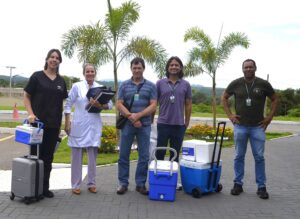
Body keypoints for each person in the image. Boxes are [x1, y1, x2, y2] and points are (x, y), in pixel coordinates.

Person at [222, 59, 278, 199]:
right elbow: (224, 97)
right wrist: (230, 116)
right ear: (242, 69)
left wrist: (269, 118)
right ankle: (238, 184)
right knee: (238, 156)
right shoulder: (236, 83)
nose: (248, 69)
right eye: (245, 67)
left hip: (257, 127)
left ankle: (261, 186)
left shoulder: (263, 84)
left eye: (250, 67)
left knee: (259, 157)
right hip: (240, 126)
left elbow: (275, 99)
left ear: (255, 68)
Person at [24, 49, 68, 198]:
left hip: (54, 125)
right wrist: (31, 113)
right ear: (47, 59)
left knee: (48, 157)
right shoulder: (37, 77)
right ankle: (33, 189)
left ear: (59, 61)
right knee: (35, 156)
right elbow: (27, 96)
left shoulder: (61, 81)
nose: (54, 60)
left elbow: (61, 101)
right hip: (37, 125)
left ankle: (44, 188)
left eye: (57, 58)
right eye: (52, 57)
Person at [64, 63, 113, 195]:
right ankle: (75, 184)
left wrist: (100, 105)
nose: (90, 73)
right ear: (84, 73)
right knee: (76, 156)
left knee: (92, 156)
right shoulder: (77, 86)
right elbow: (68, 105)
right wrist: (67, 122)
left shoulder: (99, 87)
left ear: (95, 73)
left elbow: (110, 105)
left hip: (93, 125)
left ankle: (91, 183)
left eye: (92, 71)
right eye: (87, 71)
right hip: (79, 125)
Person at [116, 57, 157, 195]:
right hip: (127, 125)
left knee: (144, 155)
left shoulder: (151, 86)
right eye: (134, 68)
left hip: (144, 125)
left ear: (143, 69)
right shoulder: (124, 85)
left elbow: (153, 105)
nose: (137, 70)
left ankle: (140, 184)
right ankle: (123, 183)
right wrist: (131, 117)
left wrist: (138, 116)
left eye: (139, 68)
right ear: (131, 69)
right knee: (123, 155)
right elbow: (119, 104)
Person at [156, 56, 192, 163]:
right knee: (160, 153)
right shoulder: (160, 83)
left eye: (176, 65)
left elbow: (188, 104)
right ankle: (160, 178)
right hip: (163, 123)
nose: (174, 67)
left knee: (175, 155)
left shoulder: (186, 84)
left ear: (180, 68)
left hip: (179, 125)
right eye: (171, 65)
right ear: (168, 68)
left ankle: (172, 178)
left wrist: (187, 121)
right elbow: (154, 102)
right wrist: (151, 120)